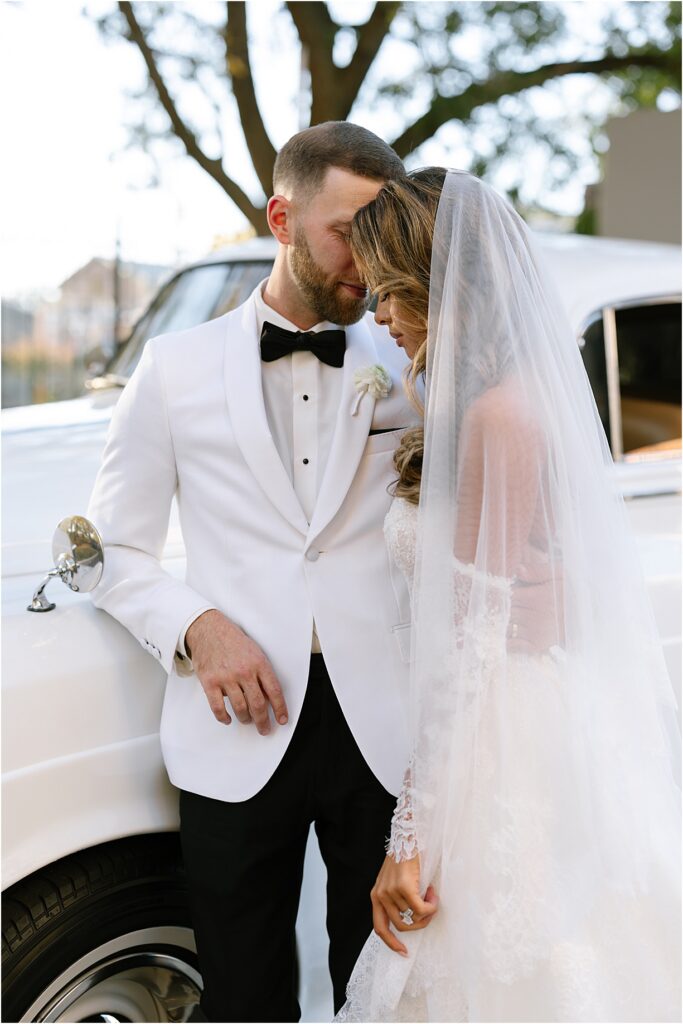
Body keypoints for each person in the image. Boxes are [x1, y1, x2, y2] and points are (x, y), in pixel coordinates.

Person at [86, 121, 419, 1023]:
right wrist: (198, 628)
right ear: (282, 215)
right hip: (234, 724)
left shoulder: (410, 356)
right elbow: (111, 551)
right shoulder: (172, 367)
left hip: (383, 725)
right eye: (350, 229)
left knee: (386, 987)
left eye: (385, 230)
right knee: (241, 993)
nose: (370, 258)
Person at [336, 168, 681, 1022]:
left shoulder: (497, 416)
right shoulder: (493, 401)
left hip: (499, 733)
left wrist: (408, 842)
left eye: (386, 292)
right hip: (523, 706)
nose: (377, 315)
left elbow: (469, 646)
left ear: (436, 284)